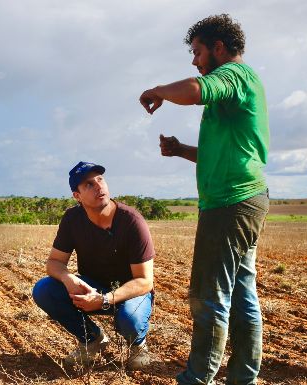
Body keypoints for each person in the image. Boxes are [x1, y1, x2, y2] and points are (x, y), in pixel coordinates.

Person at [139, 14, 270, 385]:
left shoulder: (233, 76)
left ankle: (197, 379)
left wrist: (158, 90)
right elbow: (225, 151)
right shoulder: (242, 86)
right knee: (241, 291)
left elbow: (196, 90)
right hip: (243, 199)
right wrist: (181, 150)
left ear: (218, 48)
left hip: (230, 204)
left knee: (208, 296)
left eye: (197, 52)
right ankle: (243, 377)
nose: (194, 60)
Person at [32, 161, 155, 370]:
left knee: (130, 319)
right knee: (44, 290)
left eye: (100, 179)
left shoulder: (131, 221)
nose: (99, 186)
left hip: (131, 292)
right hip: (93, 286)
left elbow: (145, 281)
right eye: (88, 184)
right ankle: (92, 339)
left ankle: (137, 346)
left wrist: (105, 300)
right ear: (77, 196)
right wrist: (68, 278)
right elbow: (54, 262)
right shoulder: (72, 219)